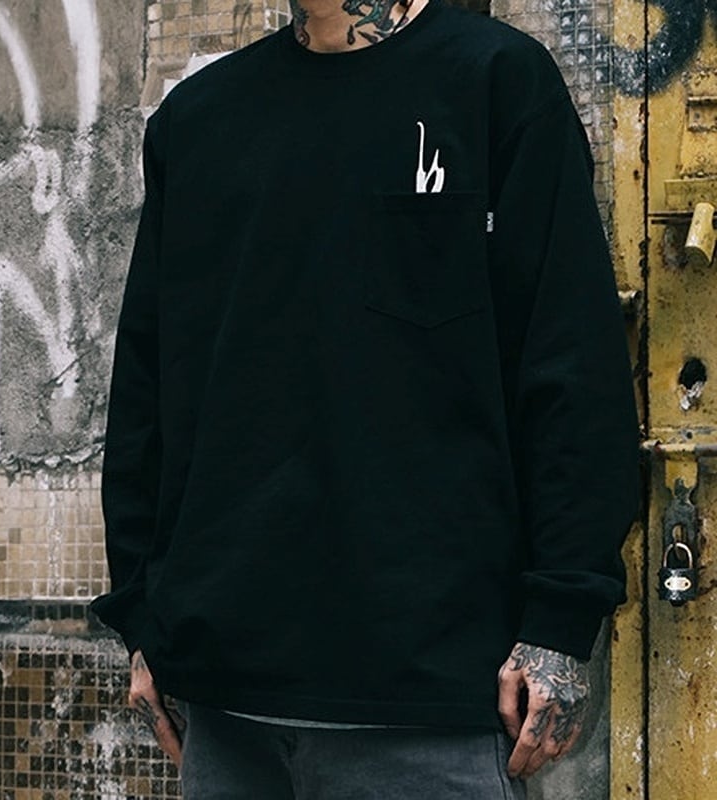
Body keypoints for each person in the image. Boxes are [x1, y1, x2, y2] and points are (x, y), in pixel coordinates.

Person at [91, 0, 639, 796]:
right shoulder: (198, 119)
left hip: (432, 699)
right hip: (227, 701)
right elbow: (148, 385)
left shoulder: (495, 82)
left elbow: (569, 364)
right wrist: (141, 617)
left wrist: (562, 618)